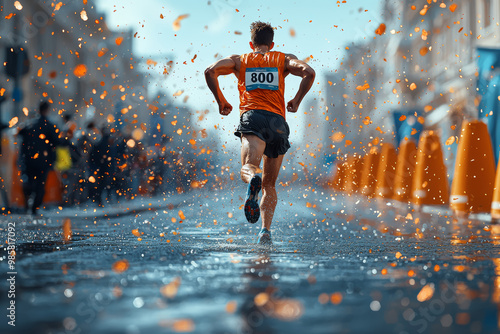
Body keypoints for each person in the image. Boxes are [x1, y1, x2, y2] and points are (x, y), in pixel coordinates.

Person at [204, 21, 315, 245]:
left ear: (251, 43)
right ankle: (265, 231)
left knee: (249, 169)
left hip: (253, 118)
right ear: (271, 44)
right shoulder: (282, 59)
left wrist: (221, 101)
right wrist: (296, 100)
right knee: (270, 185)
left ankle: (253, 178)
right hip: (277, 123)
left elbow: (210, 71)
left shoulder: (239, 60)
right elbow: (309, 72)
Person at [18, 100, 64, 215]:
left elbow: (20, 134)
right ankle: (34, 207)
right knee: (40, 184)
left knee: (29, 181)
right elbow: (57, 142)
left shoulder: (29, 124)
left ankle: (27, 203)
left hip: (29, 160)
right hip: (43, 161)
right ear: (47, 110)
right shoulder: (49, 126)